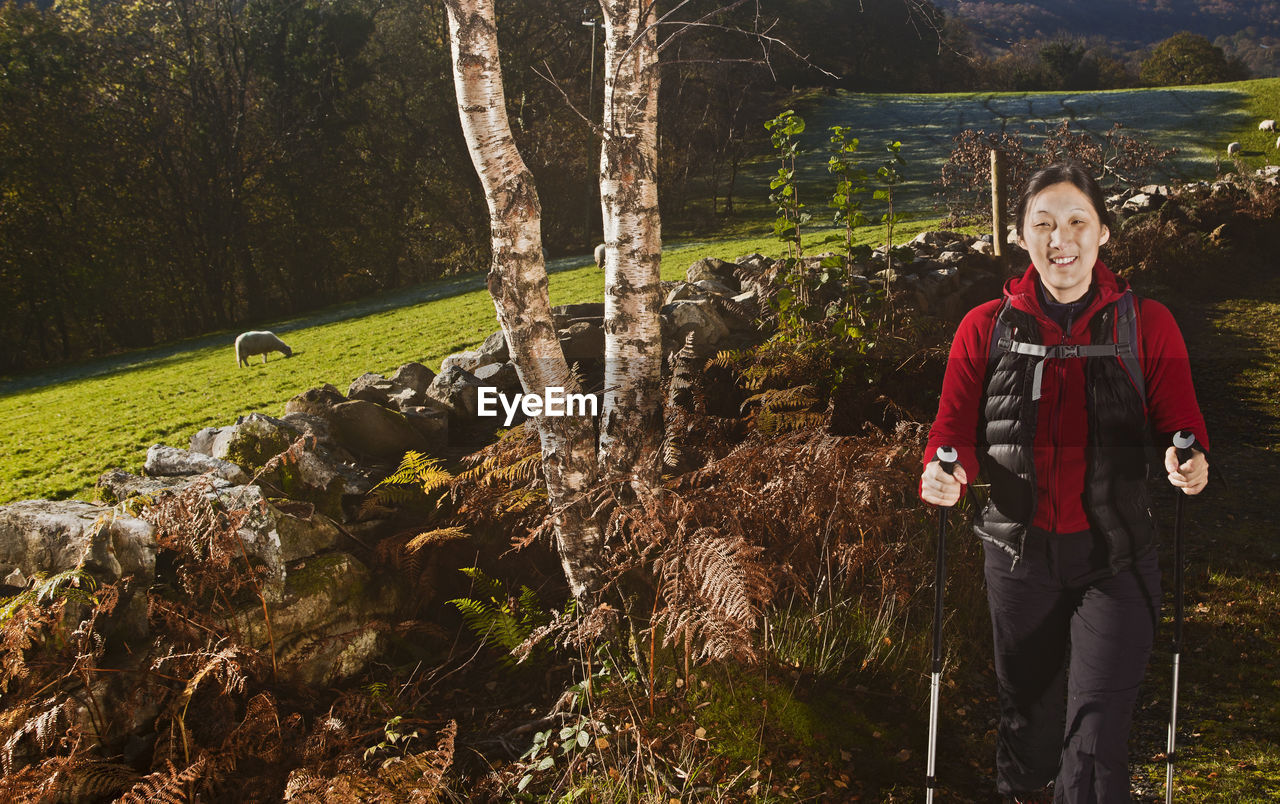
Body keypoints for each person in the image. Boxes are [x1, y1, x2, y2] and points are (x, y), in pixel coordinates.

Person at [919, 161, 1209, 803]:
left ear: (1103, 232)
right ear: (1021, 236)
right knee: (1031, 729)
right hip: (1019, 559)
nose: (1061, 239)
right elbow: (951, 435)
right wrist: (944, 473)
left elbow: (1182, 423)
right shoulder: (984, 328)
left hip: (1117, 558)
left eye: (1077, 221)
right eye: (1043, 224)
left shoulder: (1146, 325)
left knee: (1096, 737)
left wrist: (1188, 460)